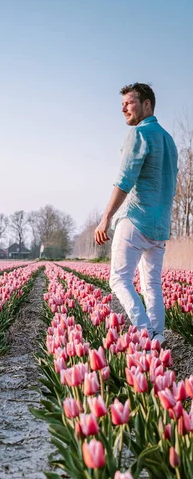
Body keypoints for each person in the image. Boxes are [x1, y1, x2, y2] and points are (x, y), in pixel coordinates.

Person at [95, 83, 178, 344]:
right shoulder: (168, 139)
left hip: (136, 219)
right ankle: (158, 337)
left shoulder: (139, 134)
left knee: (119, 280)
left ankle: (144, 332)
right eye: (123, 104)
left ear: (147, 104)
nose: (123, 108)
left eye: (129, 103)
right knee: (152, 284)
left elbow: (124, 180)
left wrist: (106, 217)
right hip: (160, 226)